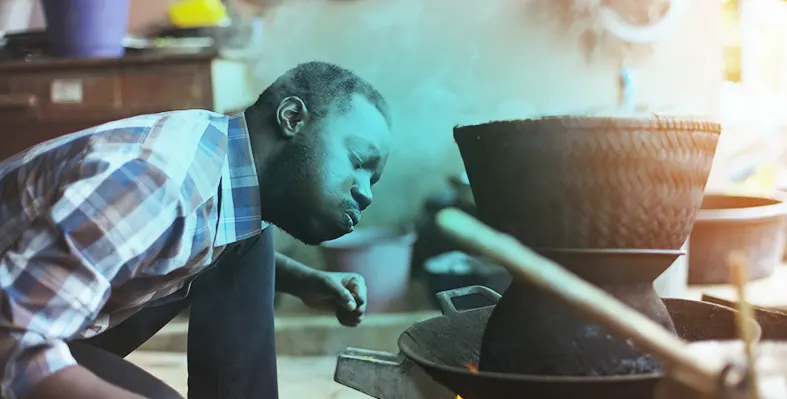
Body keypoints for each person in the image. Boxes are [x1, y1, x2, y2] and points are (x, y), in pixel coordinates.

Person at [0, 61, 393, 399]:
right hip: (13, 328)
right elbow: (13, 342)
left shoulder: (221, 157)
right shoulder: (155, 180)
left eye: (373, 180)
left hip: (43, 311)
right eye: (358, 161)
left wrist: (302, 280)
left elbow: (184, 233)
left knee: (250, 230)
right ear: (291, 117)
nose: (367, 193)